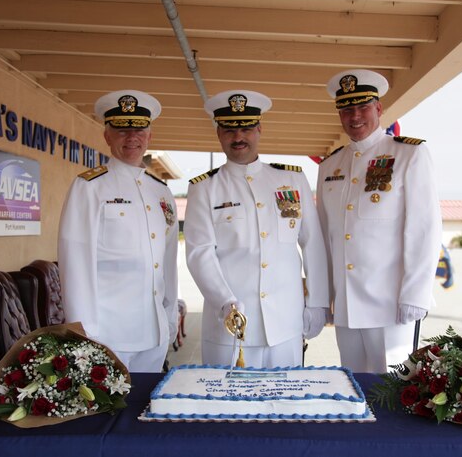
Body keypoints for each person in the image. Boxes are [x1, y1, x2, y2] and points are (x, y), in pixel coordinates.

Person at [184, 90, 329, 368]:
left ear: (259, 129)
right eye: (229, 130)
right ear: (218, 133)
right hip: (229, 324)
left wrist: (318, 302)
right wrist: (224, 301)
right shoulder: (204, 188)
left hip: (285, 324)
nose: (238, 137)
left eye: (247, 128)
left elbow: (313, 243)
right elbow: (199, 253)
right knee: (226, 408)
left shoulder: (291, 179)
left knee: (285, 406)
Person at [317, 69, 442, 373]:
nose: (354, 116)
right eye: (346, 109)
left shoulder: (409, 154)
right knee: (355, 387)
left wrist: (416, 293)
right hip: (346, 305)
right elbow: (325, 238)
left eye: (362, 107)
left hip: (392, 305)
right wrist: (326, 297)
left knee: (395, 394)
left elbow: (425, 229)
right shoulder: (330, 166)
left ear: (379, 109)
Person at [58, 90, 179, 373]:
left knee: (145, 410)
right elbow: (75, 262)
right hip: (109, 334)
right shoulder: (89, 187)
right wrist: (84, 333)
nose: (131, 138)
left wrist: (170, 316)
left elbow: (168, 262)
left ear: (149, 136)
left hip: (154, 331)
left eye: (139, 130)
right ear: (107, 136)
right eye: (122, 130)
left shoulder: (160, 191)